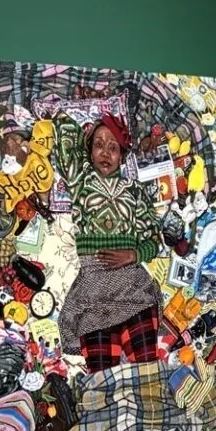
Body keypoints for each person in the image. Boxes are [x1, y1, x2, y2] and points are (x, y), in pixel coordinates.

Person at [54, 112, 164, 370]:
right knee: (103, 383)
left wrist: (133, 255)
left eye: (113, 147)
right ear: (89, 151)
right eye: (99, 145)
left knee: (147, 375)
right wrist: (90, 122)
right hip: (94, 291)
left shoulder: (134, 191)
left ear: (123, 156)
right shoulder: (80, 181)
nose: (105, 153)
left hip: (133, 288)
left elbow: (154, 239)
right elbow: (63, 128)